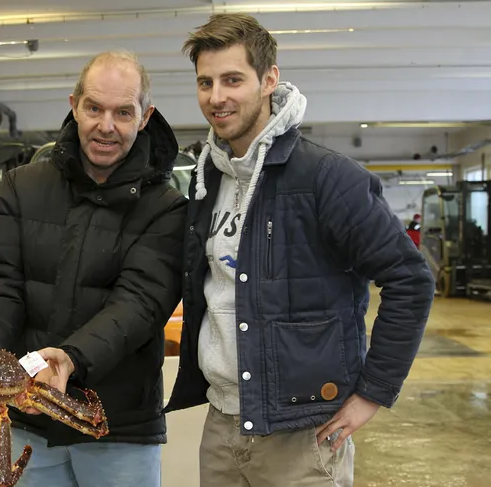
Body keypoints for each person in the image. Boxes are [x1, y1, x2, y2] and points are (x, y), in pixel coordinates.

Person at [164, 13, 436, 486]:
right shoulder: (207, 180)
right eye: (205, 82)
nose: (216, 96)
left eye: (233, 79)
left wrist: (373, 393)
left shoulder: (327, 178)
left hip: (302, 434)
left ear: (269, 79)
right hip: (222, 424)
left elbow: (410, 279)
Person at [0, 50, 187, 487]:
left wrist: (71, 359)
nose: (106, 126)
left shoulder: (166, 208)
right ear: (74, 105)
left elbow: (140, 302)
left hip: (119, 427)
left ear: (145, 117)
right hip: (27, 422)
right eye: (94, 108)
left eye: (123, 112)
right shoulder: (20, 188)